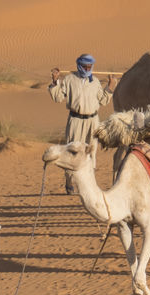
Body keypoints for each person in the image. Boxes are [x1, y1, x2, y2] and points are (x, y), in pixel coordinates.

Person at [48, 54, 114, 192]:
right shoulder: (69, 79)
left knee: (91, 151)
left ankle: (89, 185)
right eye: (85, 66)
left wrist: (110, 87)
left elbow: (103, 101)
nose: (87, 69)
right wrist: (55, 81)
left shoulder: (95, 81)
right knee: (72, 151)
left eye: (90, 66)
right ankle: (69, 181)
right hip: (75, 120)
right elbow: (58, 97)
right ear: (79, 66)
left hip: (93, 121)